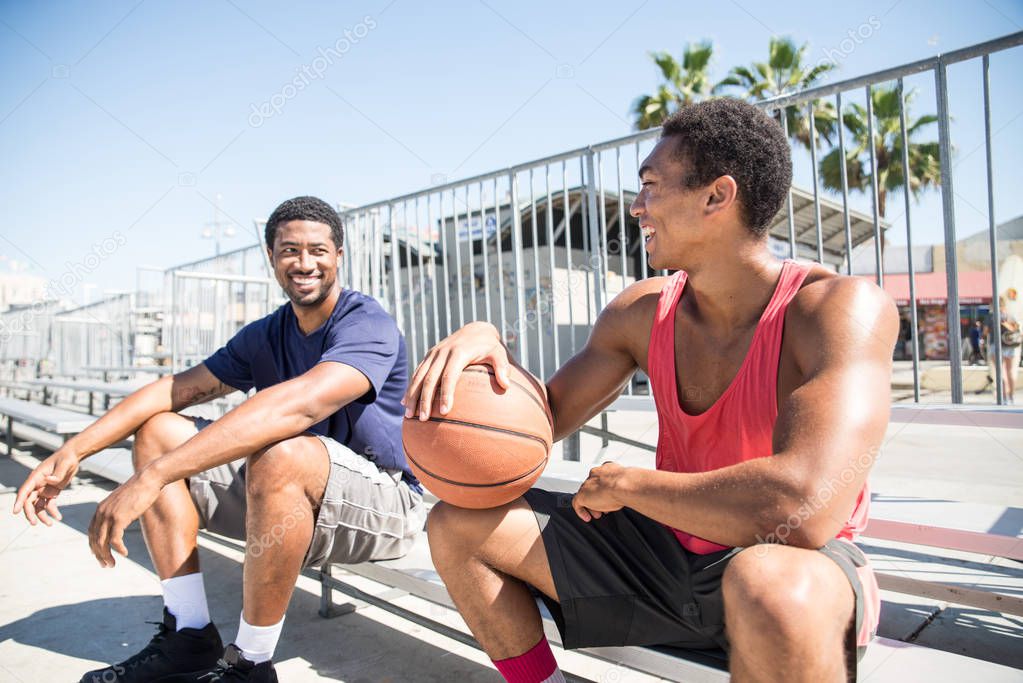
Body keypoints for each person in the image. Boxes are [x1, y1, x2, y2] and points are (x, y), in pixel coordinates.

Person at [405, 99, 897, 683]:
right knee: (455, 525)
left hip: (794, 568)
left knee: (771, 583)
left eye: (650, 186)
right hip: (663, 560)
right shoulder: (639, 313)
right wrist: (489, 346)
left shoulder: (836, 308)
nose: (637, 206)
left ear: (717, 196)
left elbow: (802, 508)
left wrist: (631, 485)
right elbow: (535, 427)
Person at [13, 196, 424, 682]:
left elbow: (301, 405)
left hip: (383, 506)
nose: (304, 262)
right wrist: (72, 452)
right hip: (288, 502)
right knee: (160, 431)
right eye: (289, 250)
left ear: (338, 256)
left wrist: (153, 478)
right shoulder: (267, 333)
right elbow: (172, 390)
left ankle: (249, 666)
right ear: (272, 258)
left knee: (281, 449)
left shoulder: (366, 322)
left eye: (318, 250)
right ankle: (189, 635)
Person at [988, 296, 1021, 403]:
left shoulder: (992, 316)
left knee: (1000, 372)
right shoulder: (1010, 315)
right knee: (1010, 371)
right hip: (1011, 345)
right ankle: (1011, 395)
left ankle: (1004, 396)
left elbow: (985, 332)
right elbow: (1018, 330)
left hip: (996, 346)